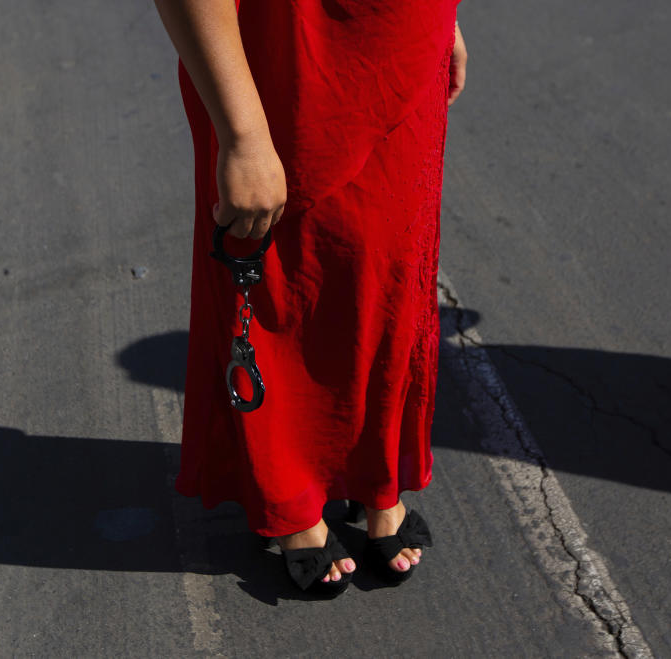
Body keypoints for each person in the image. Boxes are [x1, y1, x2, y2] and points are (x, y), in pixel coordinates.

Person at [153, 0, 467, 596]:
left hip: (402, 40)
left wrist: (443, 20)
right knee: (280, 276)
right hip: (285, 56)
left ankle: (375, 479)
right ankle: (287, 492)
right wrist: (243, 136)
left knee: (389, 272)